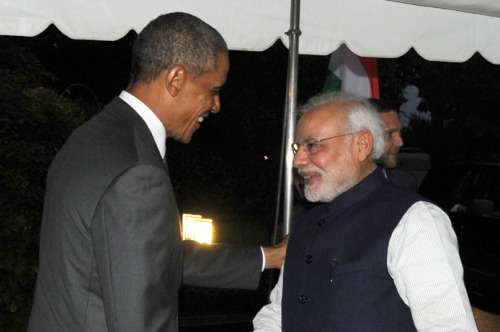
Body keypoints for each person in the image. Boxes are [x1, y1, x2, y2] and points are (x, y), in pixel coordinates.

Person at [28, 12, 286, 332]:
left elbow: (155, 255)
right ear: (176, 79)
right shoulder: (136, 172)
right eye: (213, 89)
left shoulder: (92, 137)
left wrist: (269, 257)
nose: (216, 105)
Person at [253, 91, 478, 331]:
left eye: (313, 145)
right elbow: (277, 314)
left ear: (362, 145)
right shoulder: (303, 227)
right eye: (298, 147)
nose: (297, 161)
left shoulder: (414, 220)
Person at [369, 98, 418, 192]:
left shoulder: (405, 183)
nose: (400, 142)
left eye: (400, 132)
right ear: (364, 138)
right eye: (389, 134)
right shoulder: (337, 186)